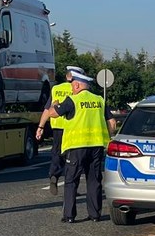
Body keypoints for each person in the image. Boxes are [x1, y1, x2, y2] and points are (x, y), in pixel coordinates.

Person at [36, 71, 116, 223]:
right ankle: (95, 215)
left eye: (73, 86)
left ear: (77, 85)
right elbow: (112, 123)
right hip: (97, 146)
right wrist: (108, 137)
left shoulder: (72, 100)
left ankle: (69, 216)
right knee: (94, 180)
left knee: (71, 181)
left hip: (76, 147)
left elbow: (53, 113)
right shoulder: (99, 99)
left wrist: (55, 104)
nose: (71, 88)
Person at [36, 65, 85, 195]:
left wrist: (40, 126)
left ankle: (54, 175)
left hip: (57, 127)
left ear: (66, 76)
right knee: (72, 157)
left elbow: (47, 109)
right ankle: (72, 186)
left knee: (57, 154)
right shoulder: (78, 89)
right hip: (73, 127)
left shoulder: (56, 89)